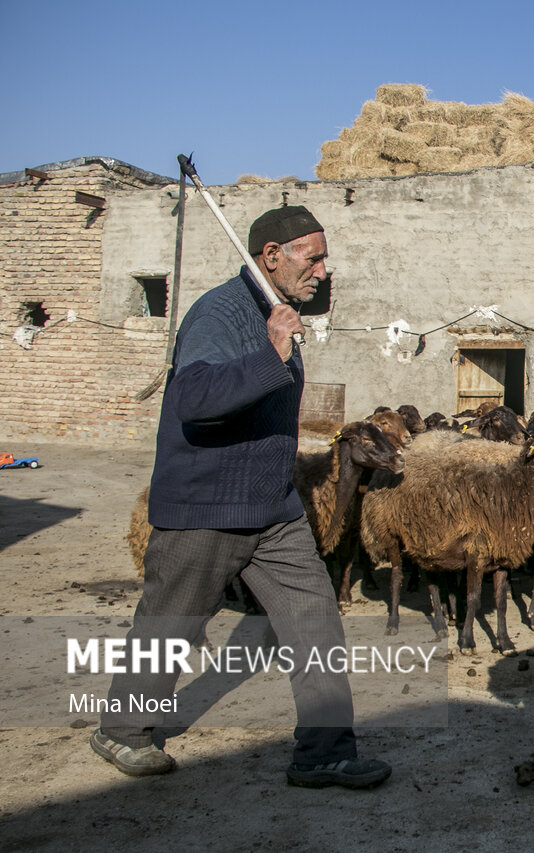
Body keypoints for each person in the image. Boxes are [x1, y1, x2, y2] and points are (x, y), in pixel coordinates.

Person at [91, 205, 391, 789]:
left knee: (314, 622)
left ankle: (324, 752)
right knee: (169, 628)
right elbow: (195, 400)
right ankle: (122, 730)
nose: (324, 270)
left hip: (273, 509)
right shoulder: (219, 313)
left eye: (326, 258)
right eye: (314, 257)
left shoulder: (278, 309)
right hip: (207, 508)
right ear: (271, 256)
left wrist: (285, 329)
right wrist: (271, 355)